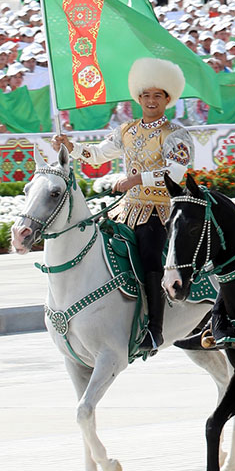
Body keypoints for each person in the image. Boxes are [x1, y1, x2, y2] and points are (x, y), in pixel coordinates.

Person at [53, 58, 191, 352]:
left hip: (161, 210)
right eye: (146, 95)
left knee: (151, 255)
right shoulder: (126, 130)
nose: (151, 101)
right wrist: (71, 147)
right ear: (138, 98)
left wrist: (136, 179)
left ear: (167, 99)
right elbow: (97, 154)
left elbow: (176, 173)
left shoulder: (176, 133)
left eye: (157, 96)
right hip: (125, 209)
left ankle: (154, 329)